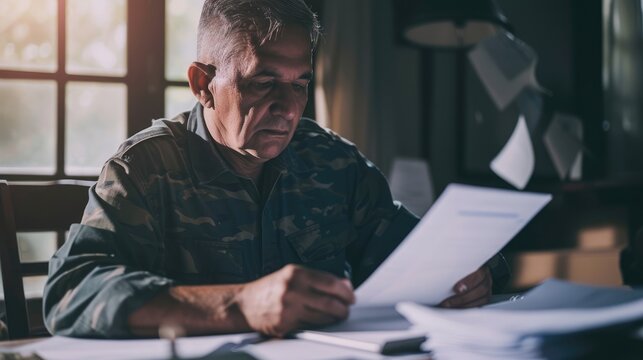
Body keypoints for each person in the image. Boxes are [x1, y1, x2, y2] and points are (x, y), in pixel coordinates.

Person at [43, 0, 509, 338]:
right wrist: (239, 304)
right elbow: (70, 291)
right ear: (202, 84)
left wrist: (471, 273)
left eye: (300, 84)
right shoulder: (144, 169)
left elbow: (420, 252)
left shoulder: (333, 162)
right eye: (264, 82)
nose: (288, 109)